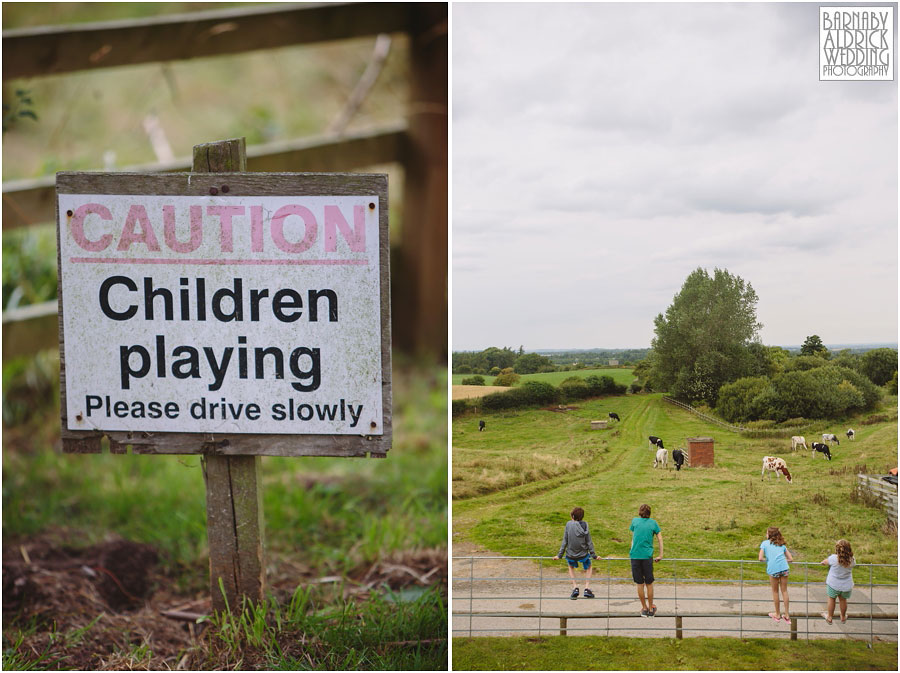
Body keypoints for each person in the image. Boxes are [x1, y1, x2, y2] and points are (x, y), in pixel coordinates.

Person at [552, 506, 597, 599]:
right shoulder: (585, 525)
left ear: (572, 516)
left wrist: (559, 555)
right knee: (589, 567)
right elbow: (589, 542)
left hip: (571, 554)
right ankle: (587, 588)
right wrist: (594, 555)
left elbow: (565, 540)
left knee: (570, 567)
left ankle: (575, 587)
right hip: (583, 554)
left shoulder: (568, 524)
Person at [629, 503, 663, 617]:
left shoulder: (634, 521)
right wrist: (660, 554)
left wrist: (632, 551)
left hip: (635, 556)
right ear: (649, 513)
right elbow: (660, 539)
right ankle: (651, 608)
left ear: (640, 512)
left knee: (639, 583)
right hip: (647, 556)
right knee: (649, 583)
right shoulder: (653, 523)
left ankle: (644, 608)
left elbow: (633, 538)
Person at [758, 526, 793, 623]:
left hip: (773, 569)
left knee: (775, 591)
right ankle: (786, 615)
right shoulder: (782, 545)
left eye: (767, 533)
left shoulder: (764, 543)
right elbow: (791, 559)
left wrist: (769, 560)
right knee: (784, 591)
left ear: (769, 535)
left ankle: (777, 614)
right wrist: (782, 560)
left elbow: (760, 558)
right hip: (784, 568)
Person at [820, 539, 855, 624]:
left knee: (831, 599)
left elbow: (824, 562)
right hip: (846, 585)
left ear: (837, 549)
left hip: (833, 584)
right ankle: (843, 616)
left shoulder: (833, 558)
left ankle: (829, 617)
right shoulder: (852, 560)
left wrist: (823, 562)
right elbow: (854, 565)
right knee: (843, 600)